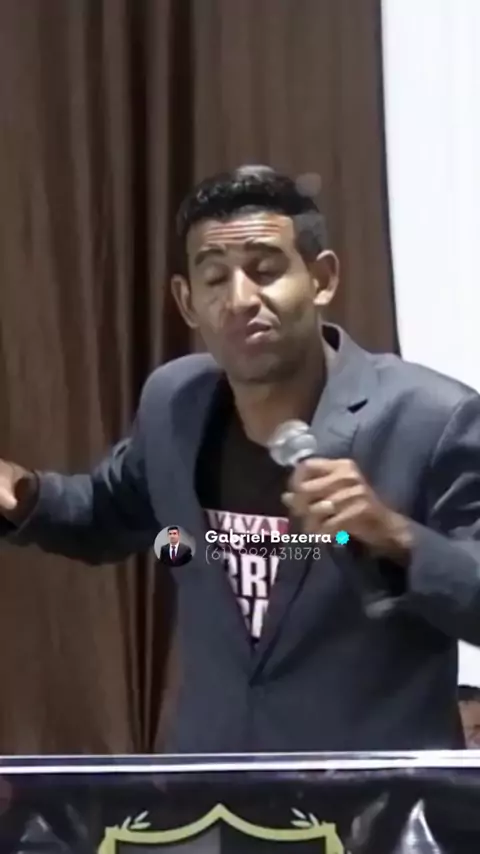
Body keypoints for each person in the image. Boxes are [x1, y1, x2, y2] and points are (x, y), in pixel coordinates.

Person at [1, 164, 480, 753]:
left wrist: (396, 538)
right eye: (214, 277)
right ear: (187, 301)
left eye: (265, 270)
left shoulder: (433, 418)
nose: (239, 299)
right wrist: (25, 496)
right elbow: (108, 511)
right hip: (215, 786)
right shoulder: (174, 403)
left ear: (322, 278)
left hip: (370, 796)